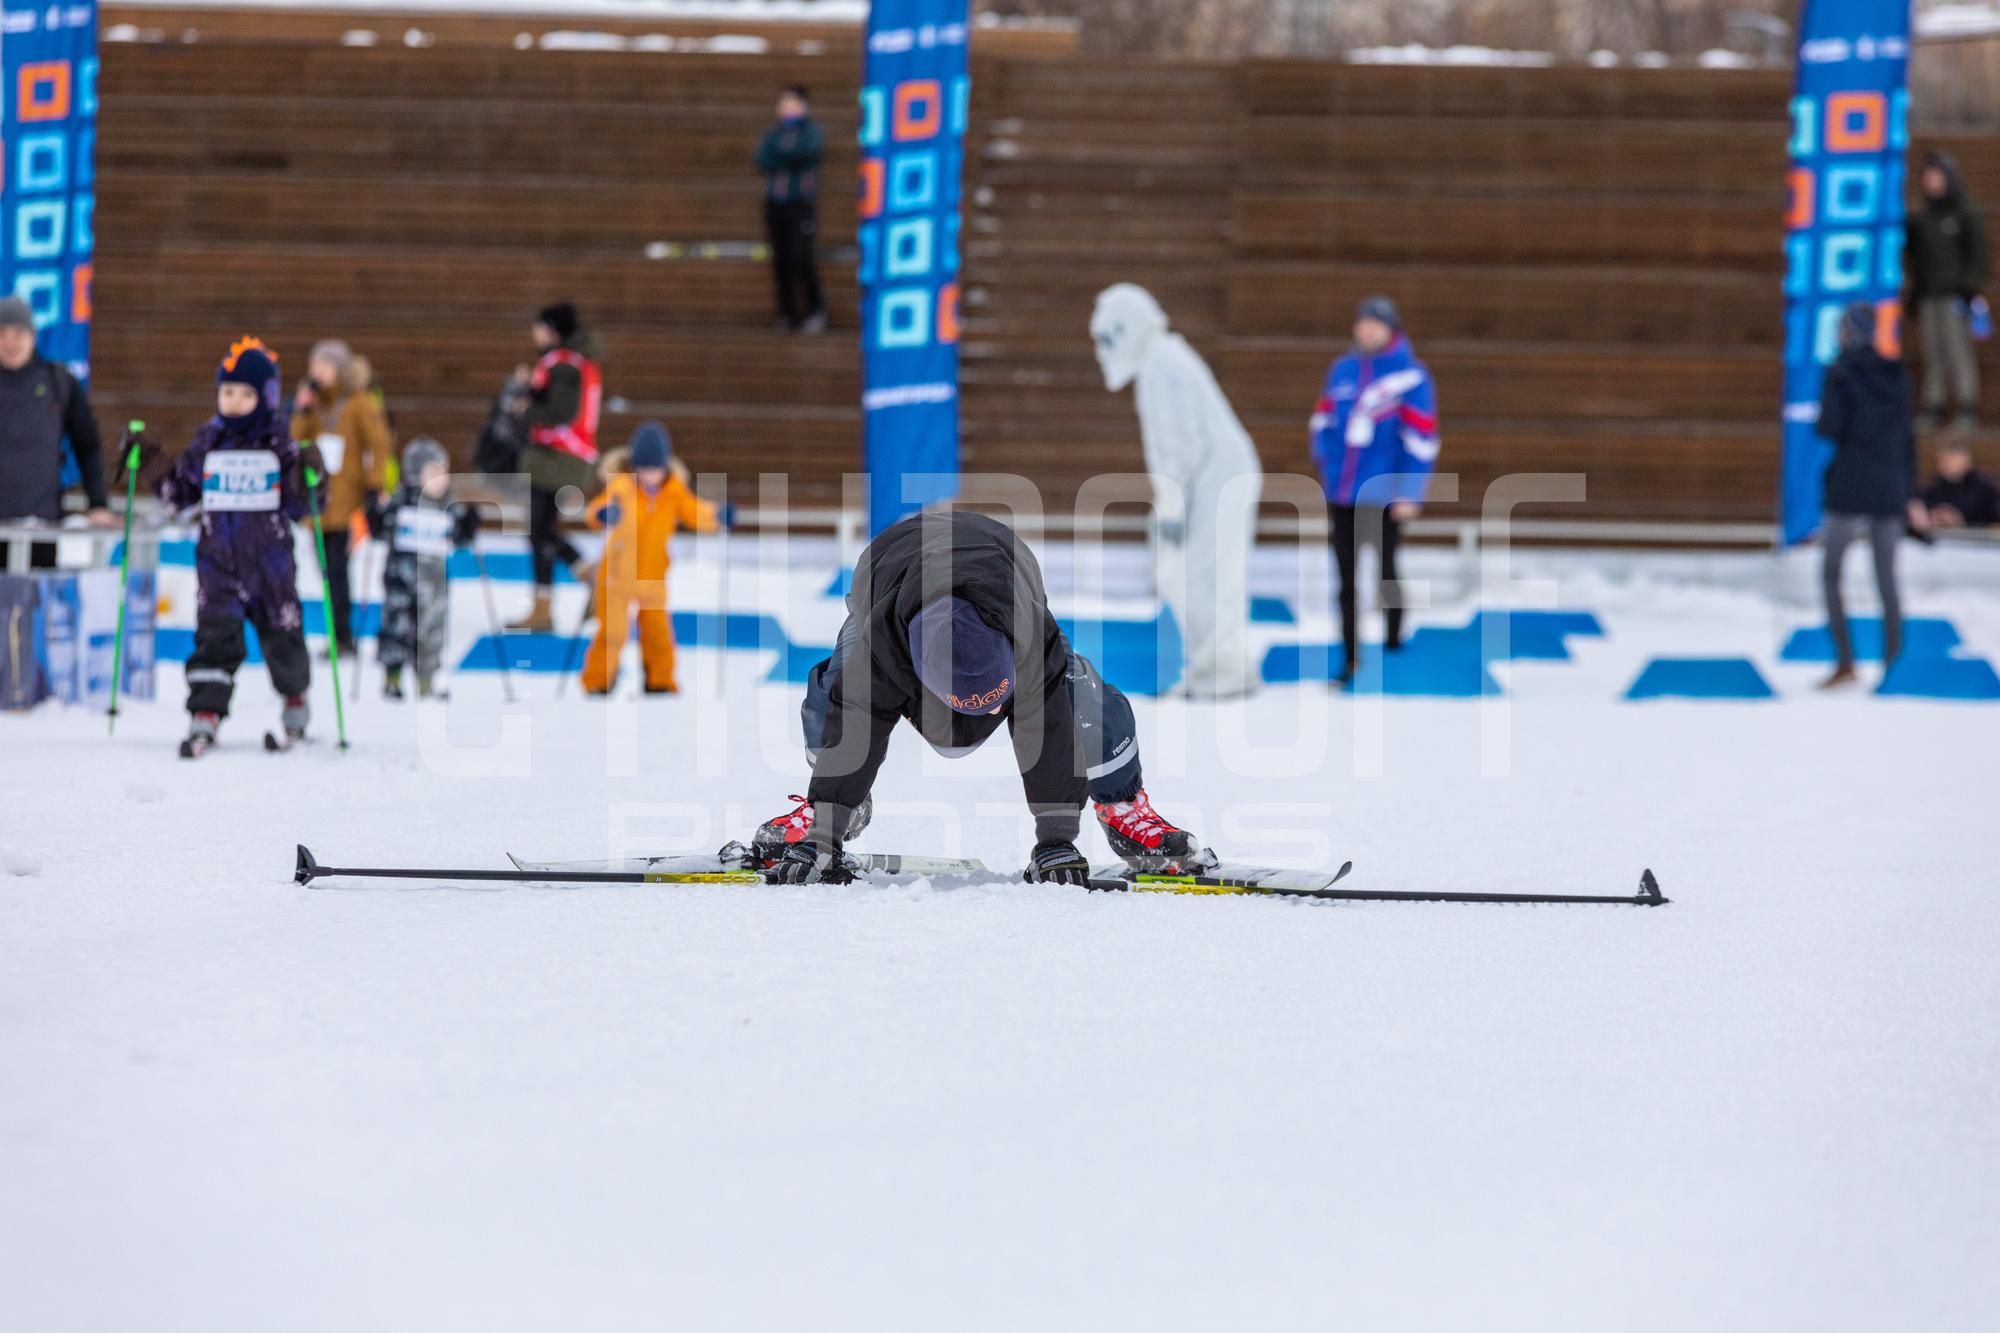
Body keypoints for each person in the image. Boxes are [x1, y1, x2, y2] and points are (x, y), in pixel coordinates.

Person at [752, 509, 1206, 885]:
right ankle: (826, 812)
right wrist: (825, 834)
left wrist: (1056, 842)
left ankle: (1124, 809)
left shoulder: (1026, 632)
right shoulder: (883, 645)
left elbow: (1045, 723)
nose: (990, 716)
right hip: (889, 575)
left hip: (1000, 561)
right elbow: (858, 717)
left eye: (997, 702)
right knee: (838, 694)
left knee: (1079, 699)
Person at [1090, 283, 1263, 699]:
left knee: (1205, 575)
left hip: (1216, 479)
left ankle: (1221, 672)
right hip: (1211, 478)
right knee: (1191, 574)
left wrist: (1170, 510)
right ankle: (1217, 666)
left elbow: (1177, 449)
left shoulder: (1161, 366)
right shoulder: (1163, 360)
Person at [157, 338, 314, 757]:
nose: (234, 401)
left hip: (271, 567)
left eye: (245, 394)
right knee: (215, 639)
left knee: (283, 636)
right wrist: (156, 468)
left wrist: (310, 477)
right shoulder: (208, 440)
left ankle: (295, 699)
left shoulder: (279, 444)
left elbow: (300, 506)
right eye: (227, 392)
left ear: (265, 398)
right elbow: (181, 496)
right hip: (219, 566)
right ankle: (206, 711)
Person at [1310, 296, 1441, 686]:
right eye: (1362, 323)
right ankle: (1350, 659)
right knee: (1345, 579)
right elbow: (1322, 422)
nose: (1367, 330)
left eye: (1376, 324)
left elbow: (1421, 440)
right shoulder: (1342, 370)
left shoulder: (1411, 377)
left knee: (1385, 571)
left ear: (1391, 329)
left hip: (1385, 495)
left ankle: (1394, 637)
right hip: (1343, 495)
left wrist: (1411, 493)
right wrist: (1327, 465)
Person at [1816, 303, 1922, 690]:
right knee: (1887, 579)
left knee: (1831, 574)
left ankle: (1845, 661)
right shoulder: (1897, 376)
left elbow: (1830, 428)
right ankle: (1894, 664)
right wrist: (1911, 491)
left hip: (1848, 487)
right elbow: (1908, 440)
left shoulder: (1841, 374)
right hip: (1890, 488)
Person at [579, 423, 720, 696]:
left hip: (653, 576)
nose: (648, 476)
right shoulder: (621, 486)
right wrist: (603, 515)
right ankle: (598, 681)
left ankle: (660, 680)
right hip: (617, 577)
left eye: (654, 469)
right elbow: (596, 509)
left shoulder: (674, 492)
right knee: (613, 633)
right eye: (642, 469)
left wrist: (717, 516)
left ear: (664, 467)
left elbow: (695, 512)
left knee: (658, 634)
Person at [289, 339, 391, 657]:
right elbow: (293, 440)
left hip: (348, 499)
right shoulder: (314, 404)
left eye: (323, 366)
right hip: (318, 496)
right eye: (313, 366)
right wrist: (302, 410)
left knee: (337, 569)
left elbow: (379, 443)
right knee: (325, 570)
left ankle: (343, 636)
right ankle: (338, 633)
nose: (316, 372)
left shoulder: (359, 402)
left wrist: (375, 486)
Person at [0, 295, 114, 571]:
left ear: (32, 335)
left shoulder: (58, 382)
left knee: (31, 609)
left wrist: (98, 502)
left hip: (42, 528)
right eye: (2, 334)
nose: (10, 342)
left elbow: (88, 444)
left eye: (18, 333)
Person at [508, 302, 602, 631]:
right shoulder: (575, 362)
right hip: (564, 459)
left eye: (538, 327)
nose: (534, 333)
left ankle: (547, 606)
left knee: (539, 531)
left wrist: (525, 406)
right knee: (544, 532)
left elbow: (560, 410)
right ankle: (583, 582)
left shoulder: (563, 364)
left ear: (551, 330)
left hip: (558, 459)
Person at [376, 437, 478, 701]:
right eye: (432, 473)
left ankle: (426, 681)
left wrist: (469, 524)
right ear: (413, 475)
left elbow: (459, 538)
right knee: (397, 627)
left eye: (443, 472)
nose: (440, 479)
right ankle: (392, 678)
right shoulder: (402, 501)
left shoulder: (448, 505)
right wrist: (375, 515)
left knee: (431, 630)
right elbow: (383, 530)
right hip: (401, 578)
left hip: (434, 582)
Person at [1906, 150, 1988, 434]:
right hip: (1929, 294)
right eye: (1927, 176)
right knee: (1933, 352)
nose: (1932, 182)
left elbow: (1978, 254)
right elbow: (1916, 256)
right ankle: (1933, 404)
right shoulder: (1922, 216)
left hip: (1955, 295)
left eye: (1937, 176)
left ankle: (1967, 405)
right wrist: (1916, 292)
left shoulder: (1965, 211)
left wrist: (1969, 287)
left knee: (1958, 351)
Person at [756, 84, 826, 334]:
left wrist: (783, 156)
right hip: (776, 202)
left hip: (800, 204)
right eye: (783, 103)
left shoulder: (810, 133)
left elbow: (806, 153)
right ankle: (787, 314)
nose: (786, 107)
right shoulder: (774, 133)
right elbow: (762, 158)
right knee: (781, 260)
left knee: (801, 257)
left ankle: (815, 309)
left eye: (792, 102)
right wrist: (784, 156)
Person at [1919, 440, 2000, 530]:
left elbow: (1993, 522)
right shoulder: (1933, 488)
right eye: (1943, 460)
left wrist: (1961, 521)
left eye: (1952, 459)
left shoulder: (1985, 489)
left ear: (1965, 459)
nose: (1947, 464)